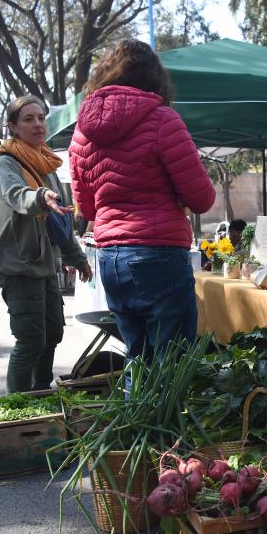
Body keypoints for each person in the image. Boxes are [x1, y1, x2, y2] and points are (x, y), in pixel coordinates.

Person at [69, 39, 216, 359]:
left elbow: (88, 208)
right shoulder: (163, 119)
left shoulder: (81, 132)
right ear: (154, 78)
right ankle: (168, 412)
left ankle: (133, 409)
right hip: (158, 253)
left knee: (137, 359)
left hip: (110, 258)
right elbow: (202, 199)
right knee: (172, 363)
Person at [0, 95, 92, 393]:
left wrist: (77, 258)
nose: (37, 124)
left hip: (46, 265)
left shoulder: (46, 166)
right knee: (30, 339)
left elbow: (60, 225)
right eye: (28, 119)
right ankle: (19, 405)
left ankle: (42, 392)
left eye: (41, 118)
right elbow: (16, 195)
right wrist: (40, 197)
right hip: (19, 266)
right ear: (13, 127)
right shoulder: (5, 164)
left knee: (53, 334)